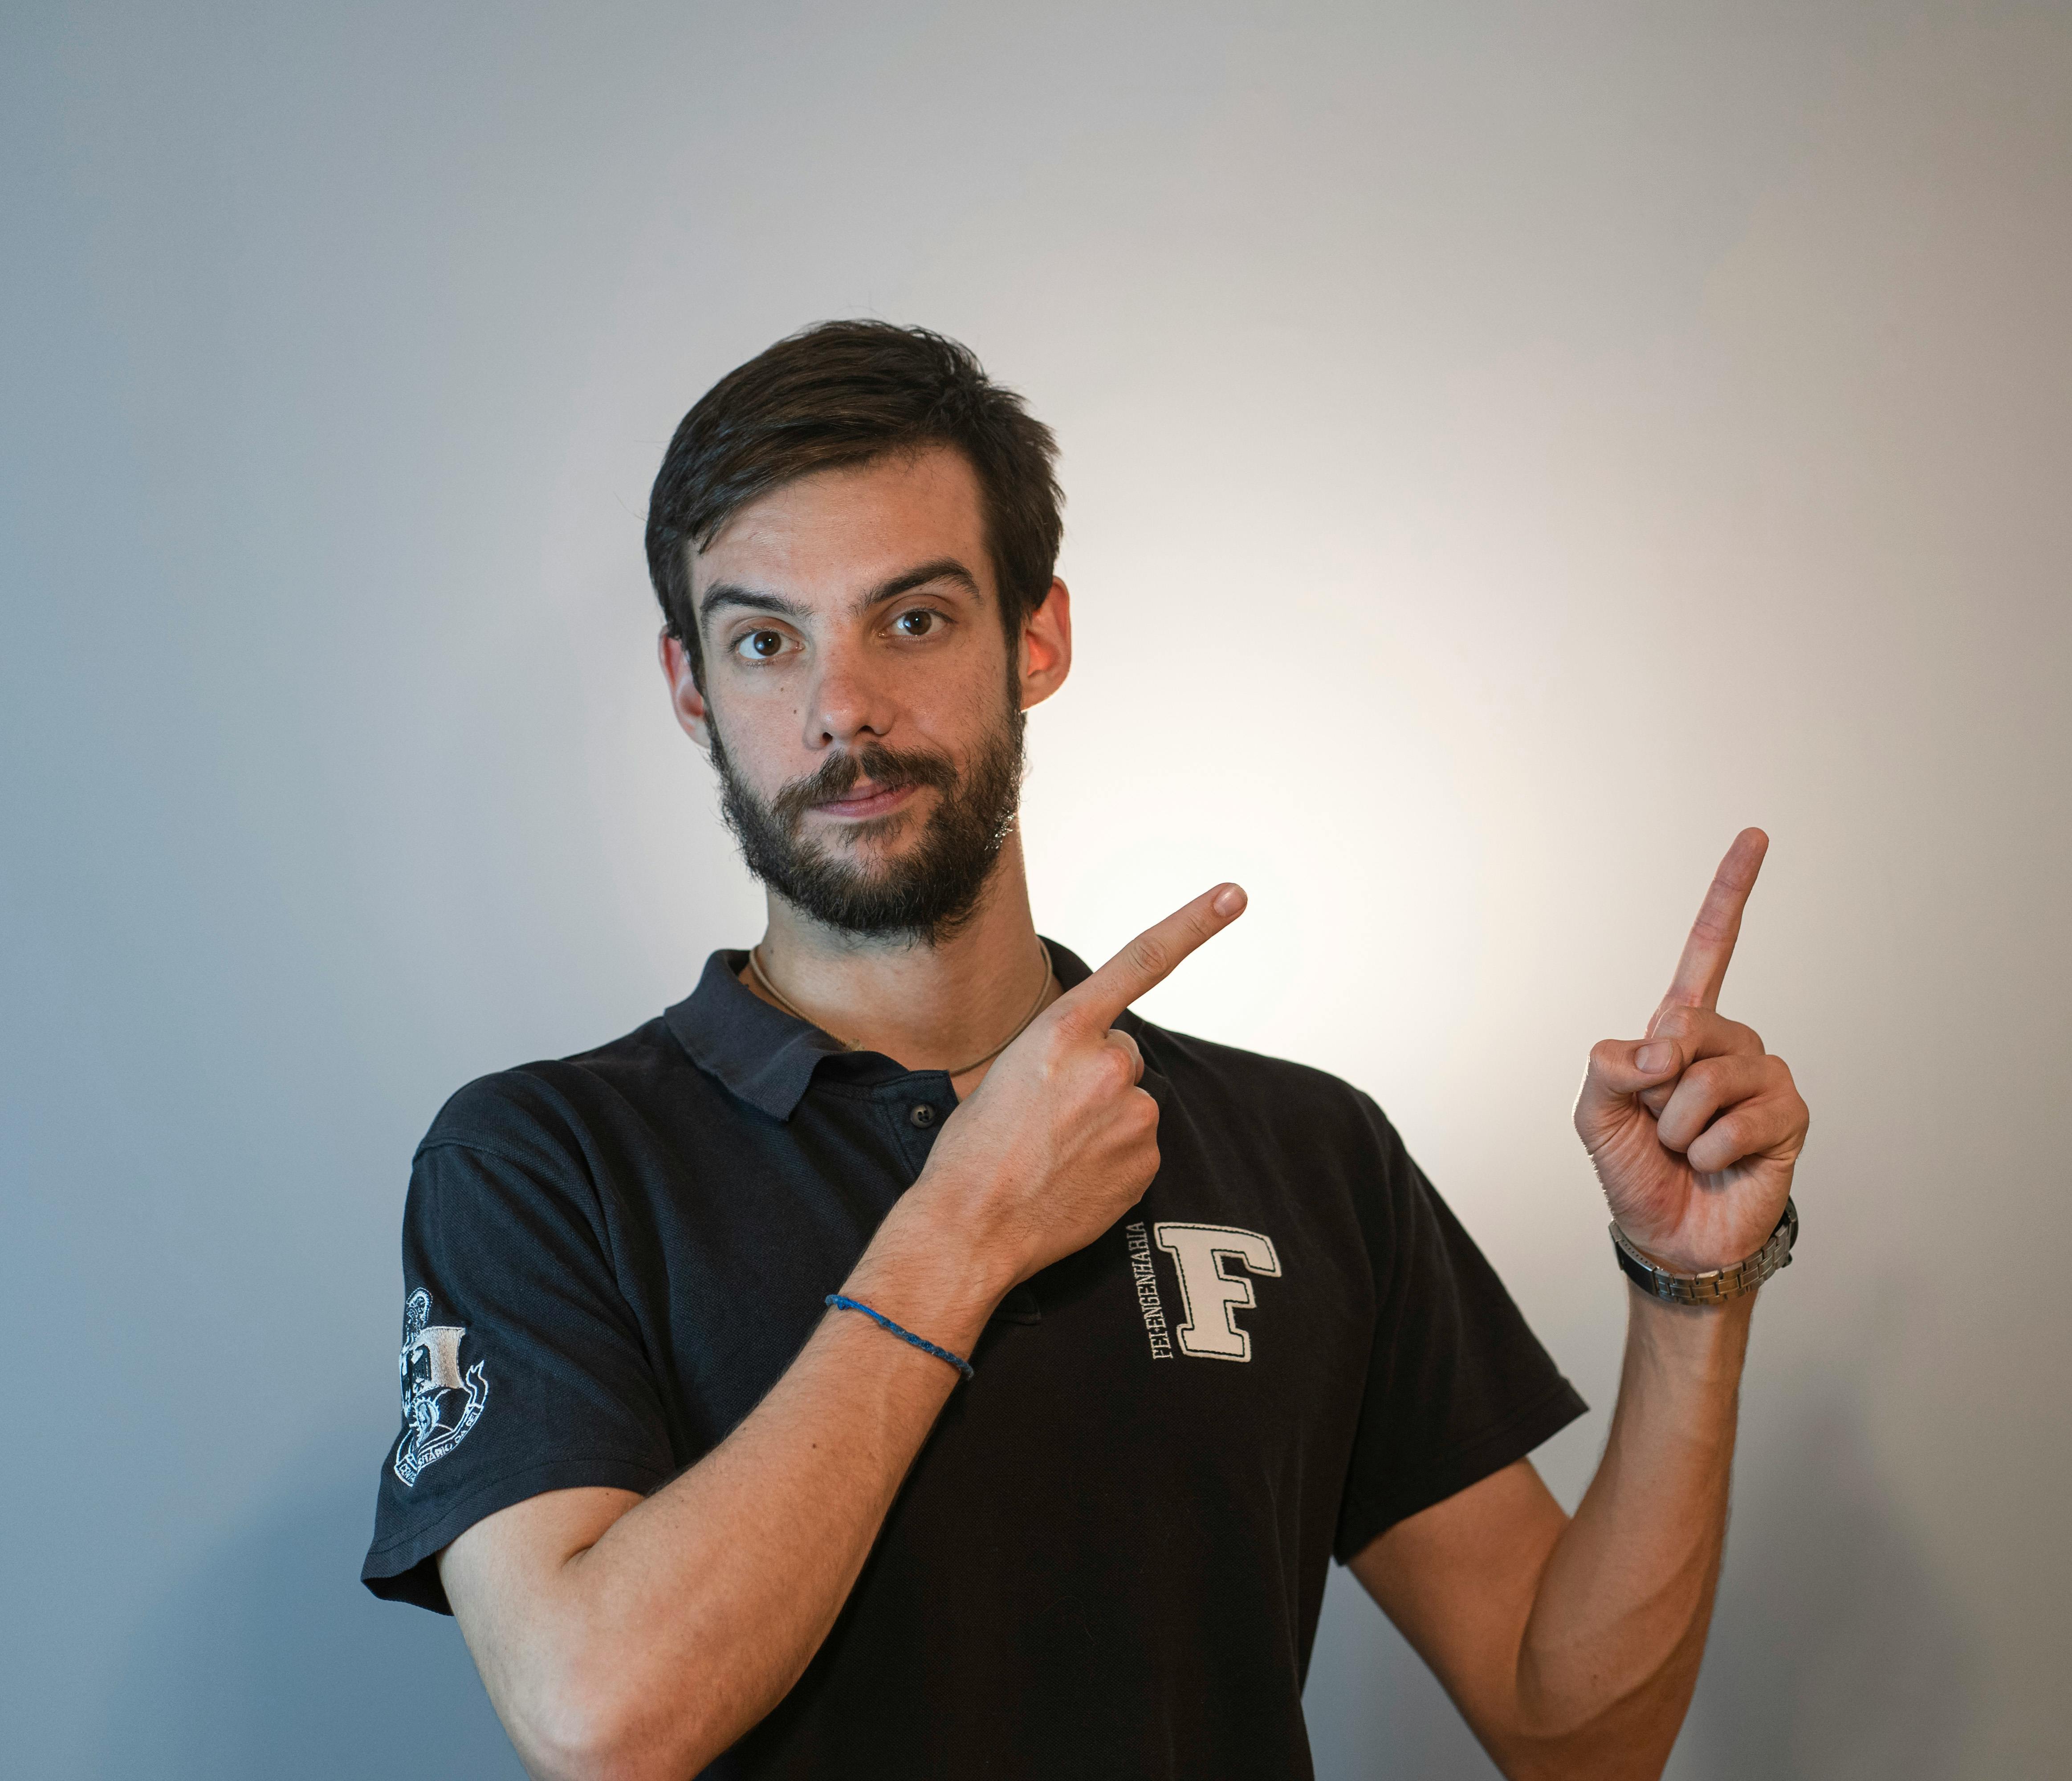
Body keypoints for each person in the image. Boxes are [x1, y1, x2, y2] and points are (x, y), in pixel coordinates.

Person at [361, 321, 1811, 1781]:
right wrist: (966, 1223)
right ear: (691, 688)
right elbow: (599, 1716)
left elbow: (1579, 1731)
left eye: (912, 620)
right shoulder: (541, 1163)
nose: (843, 708)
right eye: (765, 641)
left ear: (1035, 637)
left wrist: (1693, 1291)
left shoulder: (1306, 1149)